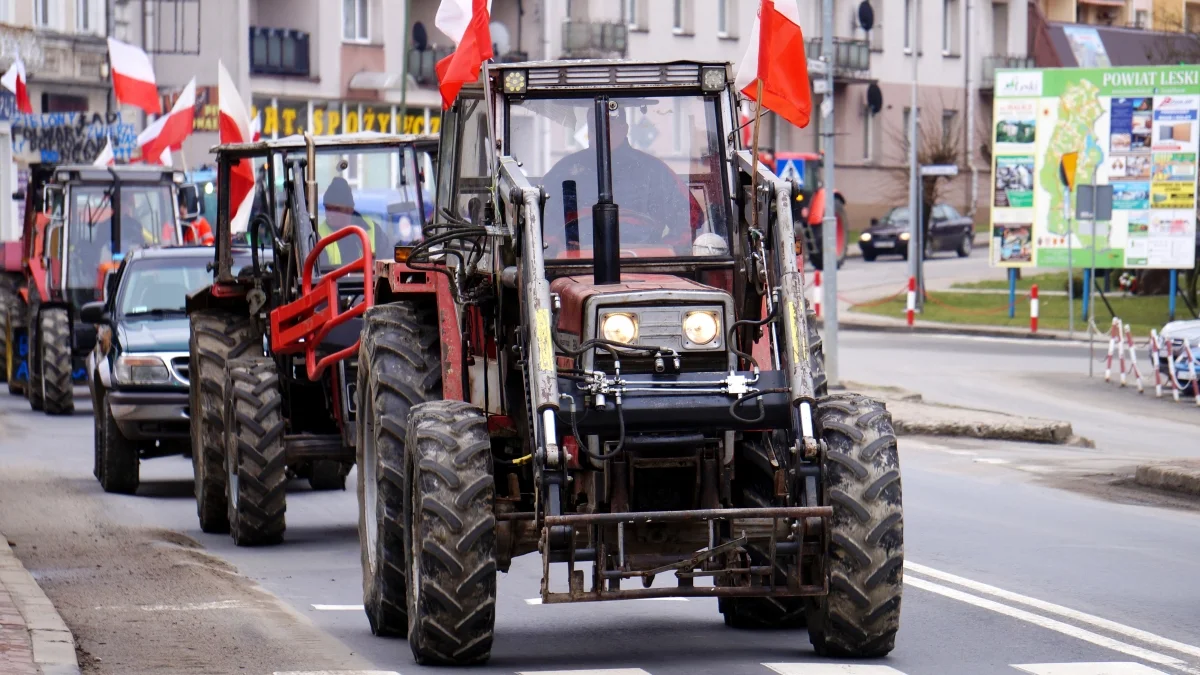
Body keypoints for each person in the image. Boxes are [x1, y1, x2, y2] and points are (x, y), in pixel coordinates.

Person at [540, 104, 704, 253]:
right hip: (577, 260)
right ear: (588, 131)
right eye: (594, 128)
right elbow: (540, 219)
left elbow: (689, 216)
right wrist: (559, 251)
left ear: (624, 129)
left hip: (646, 260)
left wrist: (664, 250)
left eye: (610, 127)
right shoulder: (565, 172)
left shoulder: (654, 171)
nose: (602, 133)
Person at [317, 177, 384, 267]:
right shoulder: (320, 237)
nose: (330, 214)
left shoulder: (372, 229)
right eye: (328, 209)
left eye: (337, 209)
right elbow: (319, 276)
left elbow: (388, 260)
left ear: (350, 209)